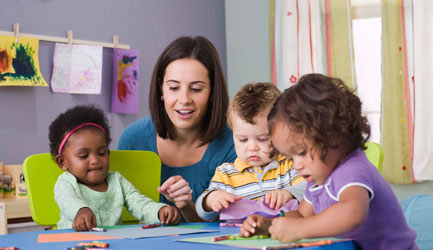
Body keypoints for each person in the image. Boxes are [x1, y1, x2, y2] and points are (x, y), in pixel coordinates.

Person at [239, 74, 433, 250]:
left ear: (334, 133)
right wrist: (269, 225)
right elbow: (300, 215)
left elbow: (352, 212)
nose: (297, 165)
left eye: (302, 152)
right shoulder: (318, 179)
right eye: (290, 158)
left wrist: (297, 229)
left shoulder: (353, 169)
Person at [118, 36, 237, 222]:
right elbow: (119, 216)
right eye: (174, 87)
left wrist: (186, 206)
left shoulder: (233, 145)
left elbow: (227, 229)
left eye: (196, 89)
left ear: (213, 92)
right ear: (161, 90)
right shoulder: (133, 139)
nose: (184, 99)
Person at [49, 105, 181, 231]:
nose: (95, 160)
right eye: (84, 156)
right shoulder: (66, 182)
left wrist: (159, 211)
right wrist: (80, 210)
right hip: (72, 243)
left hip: (112, 245)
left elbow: (139, 203)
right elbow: (68, 201)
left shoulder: (117, 181)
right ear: (62, 162)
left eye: (101, 153)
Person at [196, 82, 306, 221]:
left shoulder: (288, 164)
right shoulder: (226, 174)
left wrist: (289, 193)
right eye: (243, 139)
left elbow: (310, 189)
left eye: (262, 139)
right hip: (239, 238)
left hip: (280, 235)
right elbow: (201, 210)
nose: (252, 147)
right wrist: (212, 199)